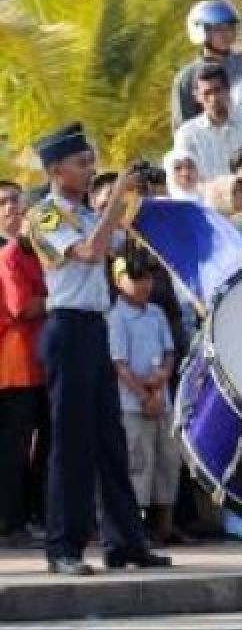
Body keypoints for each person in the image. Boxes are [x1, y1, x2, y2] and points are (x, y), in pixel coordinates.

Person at [26, 124, 170, 575]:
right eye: (81, 163)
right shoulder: (44, 215)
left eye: (91, 163)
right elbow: (89, 253)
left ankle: (125, 542)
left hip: (95, 328)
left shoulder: (89, 214)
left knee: (111, 440)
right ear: (55, 170)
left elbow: (123, 245)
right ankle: (63, 547)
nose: (90, 171)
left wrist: (136, 199)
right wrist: (113, 200)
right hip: (66, 328)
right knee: (70, 442)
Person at [107, 255, 179, 546]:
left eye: (147, 278)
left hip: (161, 399)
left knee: (167, 461)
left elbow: (169, 351)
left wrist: (162, 379)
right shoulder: (116, 317)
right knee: (138, 463)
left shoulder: (157, 313)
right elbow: (119, 364)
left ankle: (166, 526)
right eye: (135, 279)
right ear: (119, 281)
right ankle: (136, 529)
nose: (143, 285)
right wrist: (144, 396)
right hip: (132, 403)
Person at [0, 182, 46, 547]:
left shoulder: (40, 249)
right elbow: (21, 308)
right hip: (15, 364)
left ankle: (38, 516)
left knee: (44, 446)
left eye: (17, 201)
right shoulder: (11, 253)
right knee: (14, 447)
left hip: (44, 360)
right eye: (4, 203)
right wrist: (60, 294)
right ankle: (12, 522)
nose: (12, 208)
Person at [174, 63, 242, 185]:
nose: (213, 98)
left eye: (217, 90)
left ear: (228, 90)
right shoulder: (187, 134)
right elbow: (185, 182)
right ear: (197, 97)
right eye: (207, 93)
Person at [172, 0, 242, 130]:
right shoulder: (187, 78)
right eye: (218, 29)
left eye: (230, 27)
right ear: (201, 31)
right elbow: (183, 128)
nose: (227, 34)